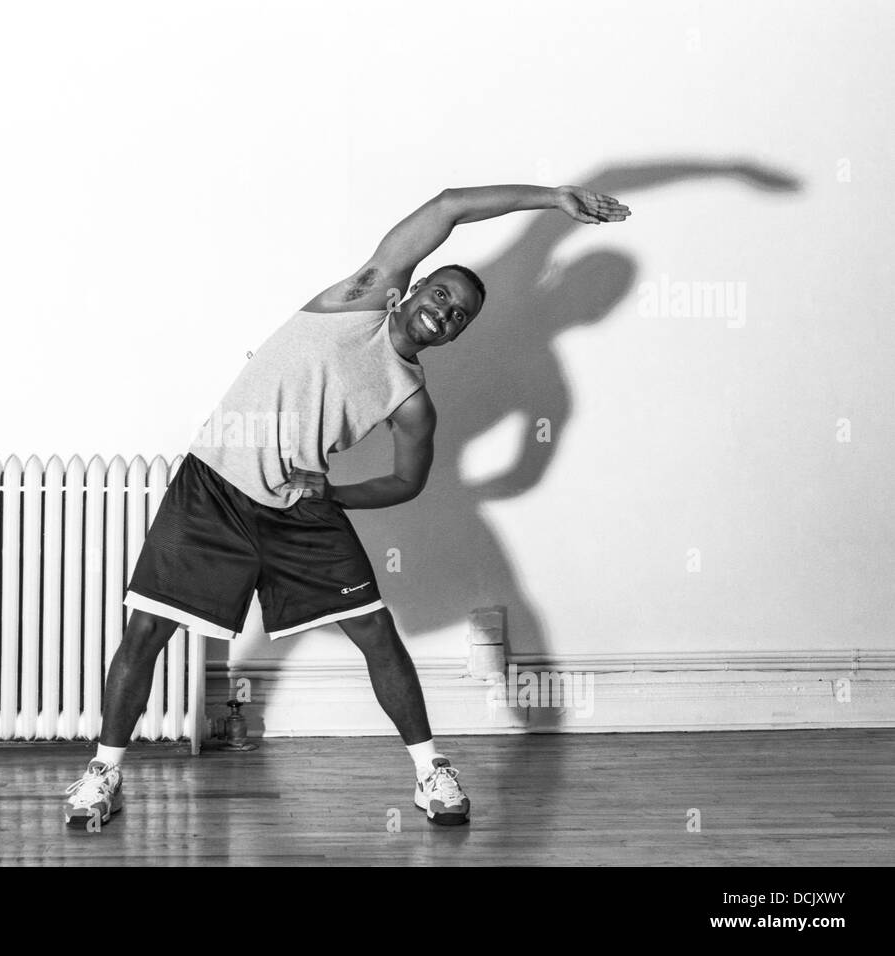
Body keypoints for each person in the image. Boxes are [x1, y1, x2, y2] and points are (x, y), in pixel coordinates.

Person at [63, 182, 631, 828]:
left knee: (377, 635)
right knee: (146, 629)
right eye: (441, 295)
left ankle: (430, 774)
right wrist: (554, 200)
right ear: (410, 289)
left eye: (459, 316)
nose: (445, 312)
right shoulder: (360, 295)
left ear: (456, 335)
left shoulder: (412, 400)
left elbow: (410, 480)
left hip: (299, 510)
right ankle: (103, 774)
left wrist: (336, 493)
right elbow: (448, 207)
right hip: (214, 485)